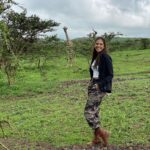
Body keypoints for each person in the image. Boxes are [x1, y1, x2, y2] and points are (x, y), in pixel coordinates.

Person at [84, 37, 113, 146]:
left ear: (104, 46)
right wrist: (92, 83)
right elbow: (94, 72)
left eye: (101, 44)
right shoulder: (96, 56)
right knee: (95, 112)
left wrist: (99, 85)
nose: (98, 46)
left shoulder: (105, 57)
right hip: (93, 84)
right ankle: (97, 140)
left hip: (99, 87)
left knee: (88, 112)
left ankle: (103, 133)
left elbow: (110, 75)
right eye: (97, 44)